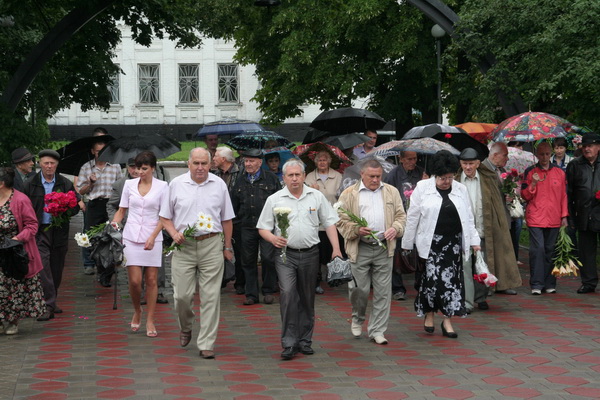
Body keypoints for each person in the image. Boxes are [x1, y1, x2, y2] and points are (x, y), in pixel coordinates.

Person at [257, 159, 342, 360]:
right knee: (287, 295)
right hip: (285, 254)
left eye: (298, 175)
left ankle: (305, 341)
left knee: (306, 297)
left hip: (311, 253)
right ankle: (288, 342)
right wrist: (272, 238)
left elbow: (330, 223)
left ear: (304, 176)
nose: (294, 179)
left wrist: (336, 249)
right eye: (290, 175)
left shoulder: (316, 197)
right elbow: (263, 227)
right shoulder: (275, 199)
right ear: (284, 178)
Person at [160, 147, 234, 359]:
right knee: (181, 296)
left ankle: (206, 343)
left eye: (204, 163)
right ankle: (186, 326)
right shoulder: (176, 185)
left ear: (210, 165)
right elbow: (165, 216)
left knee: (211, 296)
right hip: (184, 246)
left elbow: (227, 219)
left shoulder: (219, 184)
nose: (200, 168)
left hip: (211, 244)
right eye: (196, 163)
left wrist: (227, 247)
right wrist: (174, 233)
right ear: (188, 164)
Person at [402, 150, 480, 338]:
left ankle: (447, 320)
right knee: (431, 282)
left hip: (452, 244)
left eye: (450, 177)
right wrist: (407, 243)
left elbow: (469, 218)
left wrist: (474, 241)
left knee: (451, 283)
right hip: (430, 244)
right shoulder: (422, 188)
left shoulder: (460, 189)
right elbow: (412, 217)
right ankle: (429, 314)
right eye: (442, 178)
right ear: (434, 175)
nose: (446, 181)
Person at [337, 159, 406, 345]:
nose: (375, 180)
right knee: (359, 289)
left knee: (383, 292)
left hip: (385, 247)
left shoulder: (391, 191)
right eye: (371, 176)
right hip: (360, 247)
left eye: (378, 176)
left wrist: (396, 228)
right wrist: (356, 229)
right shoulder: (349, 193)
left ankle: (377, 330)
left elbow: (401, 216)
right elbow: (340, 220)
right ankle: (358, 317)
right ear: (362, 175)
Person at [455, 148, 519, 312]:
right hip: (461, 232)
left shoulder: (488, 179)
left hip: (483, 229)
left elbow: (497, 203)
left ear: (478, 163)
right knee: (465, 266)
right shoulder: (455, 181)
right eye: (464, 164)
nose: (468, 167)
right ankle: (467, 299)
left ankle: (481, 297)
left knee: (483, 264)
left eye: (471, 163)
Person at [112, 151, 169, 337]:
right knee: (135, 281)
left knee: (151, 280)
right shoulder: (129, 185)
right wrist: (114, 224)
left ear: (153, 168)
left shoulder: (163, 186)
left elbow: (165, 216)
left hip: (154, 235)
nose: (140, 172)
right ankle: (138, 310)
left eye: (144, 168)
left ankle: (151, 319)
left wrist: (153, 236)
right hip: (131, 235)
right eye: (138, 168)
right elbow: (121, 210)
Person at [22, 150, 80, 321]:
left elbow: (76, 205)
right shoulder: (30, 183)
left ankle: (52, 299)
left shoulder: (64, 183)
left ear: (57, 165)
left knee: (57, 267)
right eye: (46, 163)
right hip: (40, 231)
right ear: (40, 163)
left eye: (52, 163)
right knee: (43, 266)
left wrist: (64, 209)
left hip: (60, 230)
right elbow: (23, 207)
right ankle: (48, 303)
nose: (49, 166)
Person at [230, 149, 281, 305]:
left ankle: (268, 290)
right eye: (246, 161)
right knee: (247, 260)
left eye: (251, 161)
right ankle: (251, 294)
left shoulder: (271, 179)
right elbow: (234, 205)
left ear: (260, 162)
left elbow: (279, 202)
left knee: (268, 258)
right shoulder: (239, 180)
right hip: (246, 226)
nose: (248, 164)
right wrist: (236, 224)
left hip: (267, 227)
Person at [0, 168, 46, 335]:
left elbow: (32, 225)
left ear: (2, 184)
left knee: (13, 288)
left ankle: (12, 321)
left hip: (14, 251)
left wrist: (16, 239)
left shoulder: (20, 199)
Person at [521, 142, 568, 295]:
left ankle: (549, 283)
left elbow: (564, 196)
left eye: (547, 154)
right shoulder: (530, 171)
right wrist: (533, 183)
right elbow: (525, 195)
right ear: (537, 154)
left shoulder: (560, 172)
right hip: (536, 217)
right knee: (538, 249)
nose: (545, 157)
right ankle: (536, 284)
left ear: (551, 153)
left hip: (554, 217)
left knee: (550, 250)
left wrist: (564, 216)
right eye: (541, 154)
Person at [77, 139, 123, 284]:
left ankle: (107, 272)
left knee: (112, 236)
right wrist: (90, 183)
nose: (101, 154)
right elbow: (81, 191)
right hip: (94, 205)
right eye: (98, 151)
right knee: (94, 238)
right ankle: (98, 267)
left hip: (111, 204)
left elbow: (121, 187)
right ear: (93, 152)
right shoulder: (86, 167)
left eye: (103, 151)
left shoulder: (115, 166)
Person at [384, 151, 425, 301]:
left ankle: (420, 285)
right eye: (409, 159)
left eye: (414, 159)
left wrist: (427, 182)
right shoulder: (393, 175)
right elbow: (387, 196)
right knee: (397, 254)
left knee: (420, 253)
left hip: (418, 220)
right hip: (400, 219)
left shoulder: (422, 172)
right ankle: (397, 288)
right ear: (401, 159)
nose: (412, 162)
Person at [482, 142, 522, 295]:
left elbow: (508, 191)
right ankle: (489, 284)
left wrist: (510, 195)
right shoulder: (483, 169)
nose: (507, 158)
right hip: (490, 216)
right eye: (505, 155)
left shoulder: (502, 170)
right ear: (495, 155)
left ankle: (503, 283)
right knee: (489, 251)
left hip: (504, 216)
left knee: (504, 250)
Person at [305, 150, 343, 294]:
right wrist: (312, 190)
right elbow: (306, 197)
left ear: (329, 162)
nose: (322, 162)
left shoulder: (338, 176)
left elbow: (342, 196)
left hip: (334, 219)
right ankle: (317, 279)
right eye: (319, 160)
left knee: (332, 248)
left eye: (324, 160)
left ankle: (333, 274)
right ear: (315, 162)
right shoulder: (309, 177)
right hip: (316, 221)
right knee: (318, 251)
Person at [566, 133, 600, 294]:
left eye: (591, 146)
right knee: (586, 251)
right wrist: (571, 216)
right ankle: (588, 282)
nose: (587, 149)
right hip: (584, 213)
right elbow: (569, 192)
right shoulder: (575, 165)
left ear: (598, 147)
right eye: (585, 146)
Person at [213, 146, 244, 294]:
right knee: (217, 250)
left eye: (216, 156)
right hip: (217, 219)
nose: (213, 158)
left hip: (237, 218)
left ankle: (240, 281)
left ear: (224, 159)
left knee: (238, 251)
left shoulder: (240, 173)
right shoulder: (214, 174)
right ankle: (221, 279)